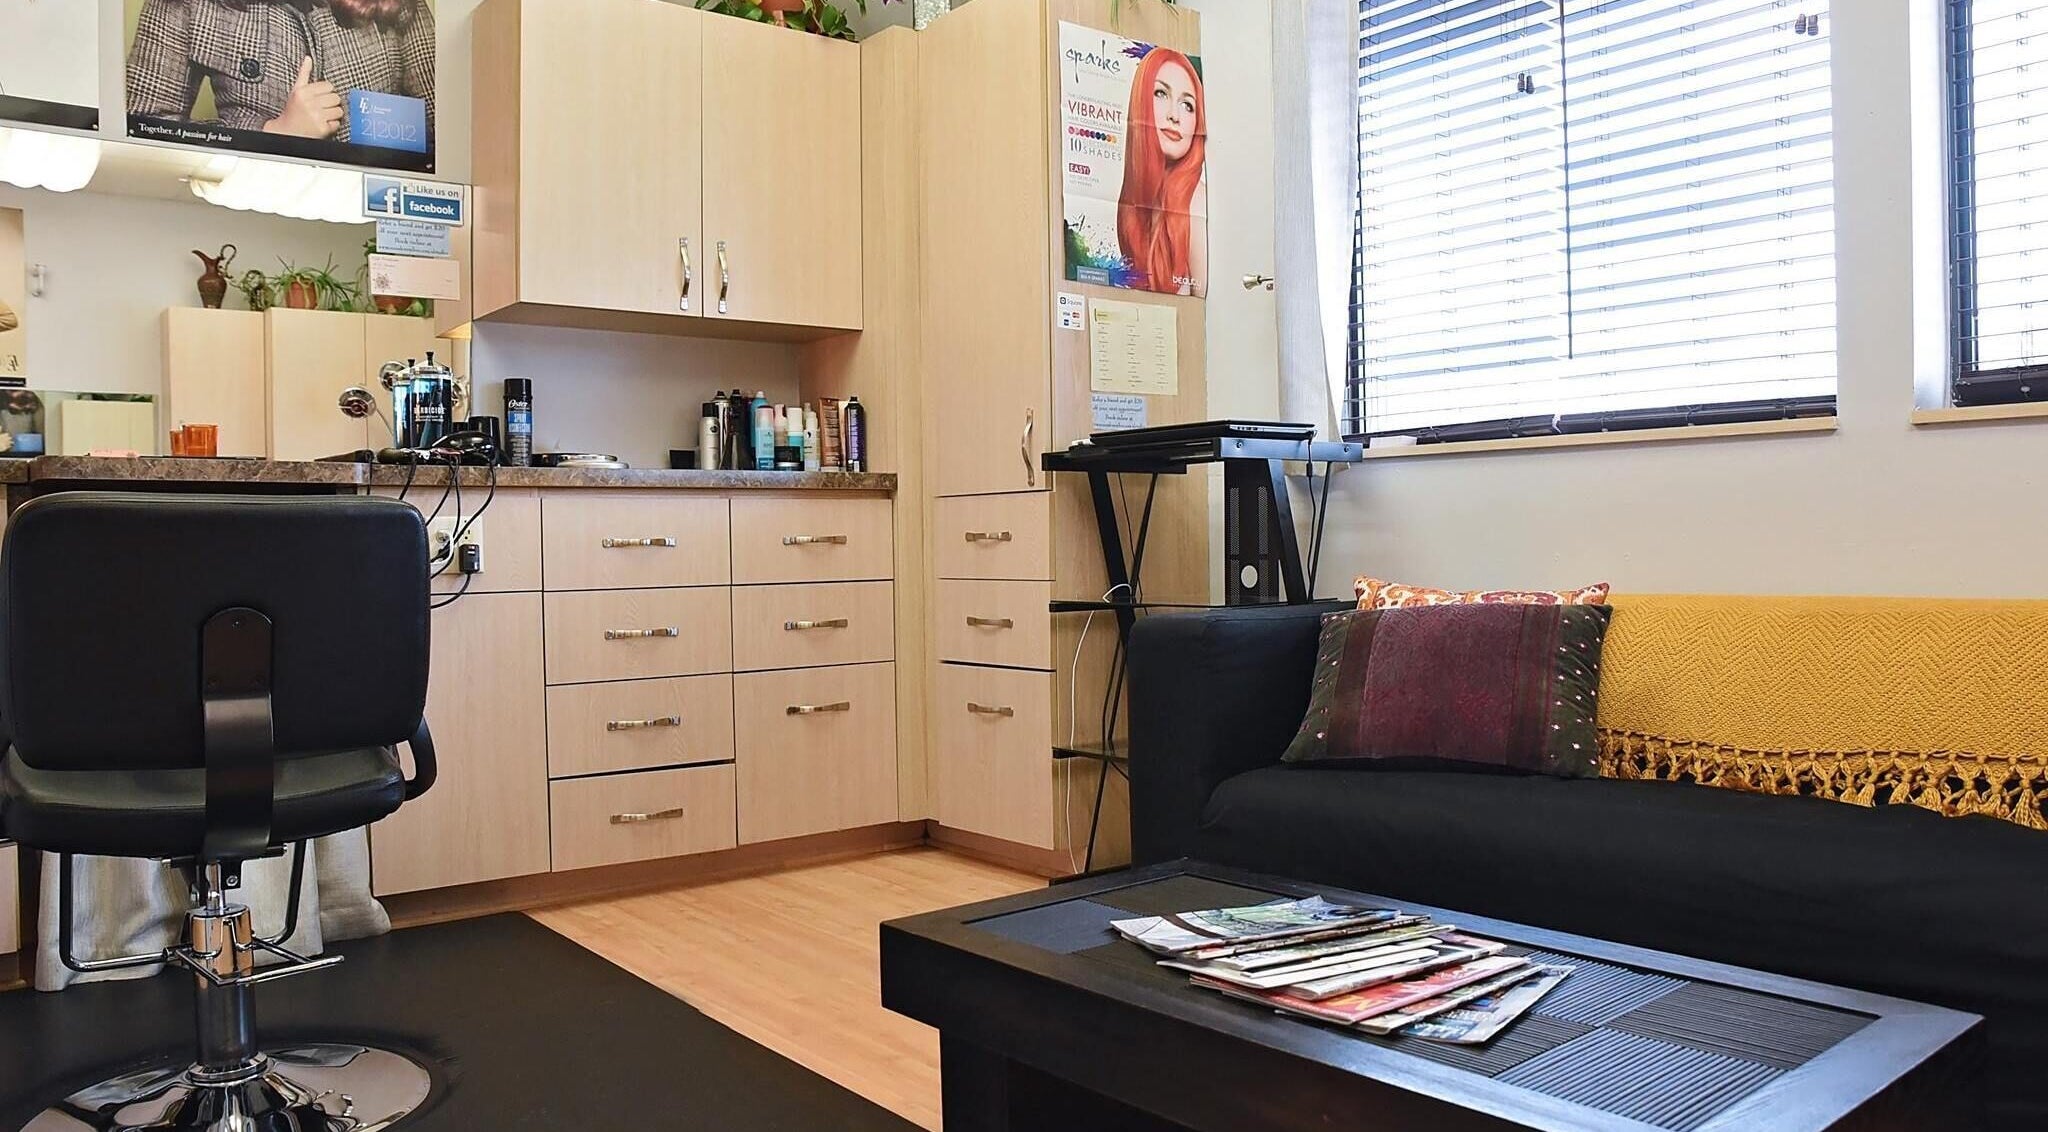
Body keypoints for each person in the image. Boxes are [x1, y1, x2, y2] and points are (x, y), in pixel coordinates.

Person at [126, 0, 435, 146]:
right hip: (247, 210)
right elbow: (141, 128)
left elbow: (449, 137)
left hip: (377, 214)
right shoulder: (188, 5)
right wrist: (272, 134)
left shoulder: (400, 5)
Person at [1117, 46, 1208, 298]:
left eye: (1187, 105)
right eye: (1161, 93)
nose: (1174, 116)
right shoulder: (1135, 208)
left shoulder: (1196, 200)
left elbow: (1206, 308)